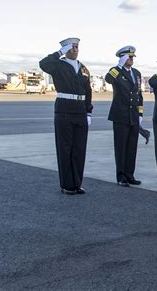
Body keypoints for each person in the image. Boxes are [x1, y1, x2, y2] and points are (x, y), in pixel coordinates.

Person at [39, 37, 93, 195]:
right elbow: (43, 64)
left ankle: (77, 183)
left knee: (79, 149)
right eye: (71, 47)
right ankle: (67, 185)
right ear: (65, 49)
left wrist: (88, 111)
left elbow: (88, 90)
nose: (75, 50)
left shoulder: (83, 68)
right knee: (65, 149)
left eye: (77, 47)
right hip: (64, 111)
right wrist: (59, 52)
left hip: (80, 112)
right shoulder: (58, 65)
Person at [105, 46, 143, 187]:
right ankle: (121, 176)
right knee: (121, 147)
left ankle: (130, 175)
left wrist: (140, 112)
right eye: (129, 57)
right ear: (122, 58)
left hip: (133, 115)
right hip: (120, 115)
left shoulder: (137, 73)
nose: (131, 59)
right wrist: (119, 66)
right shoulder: (115, 71)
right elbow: (108, 79)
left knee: (132, 147)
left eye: (132, 57)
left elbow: (138, 94)